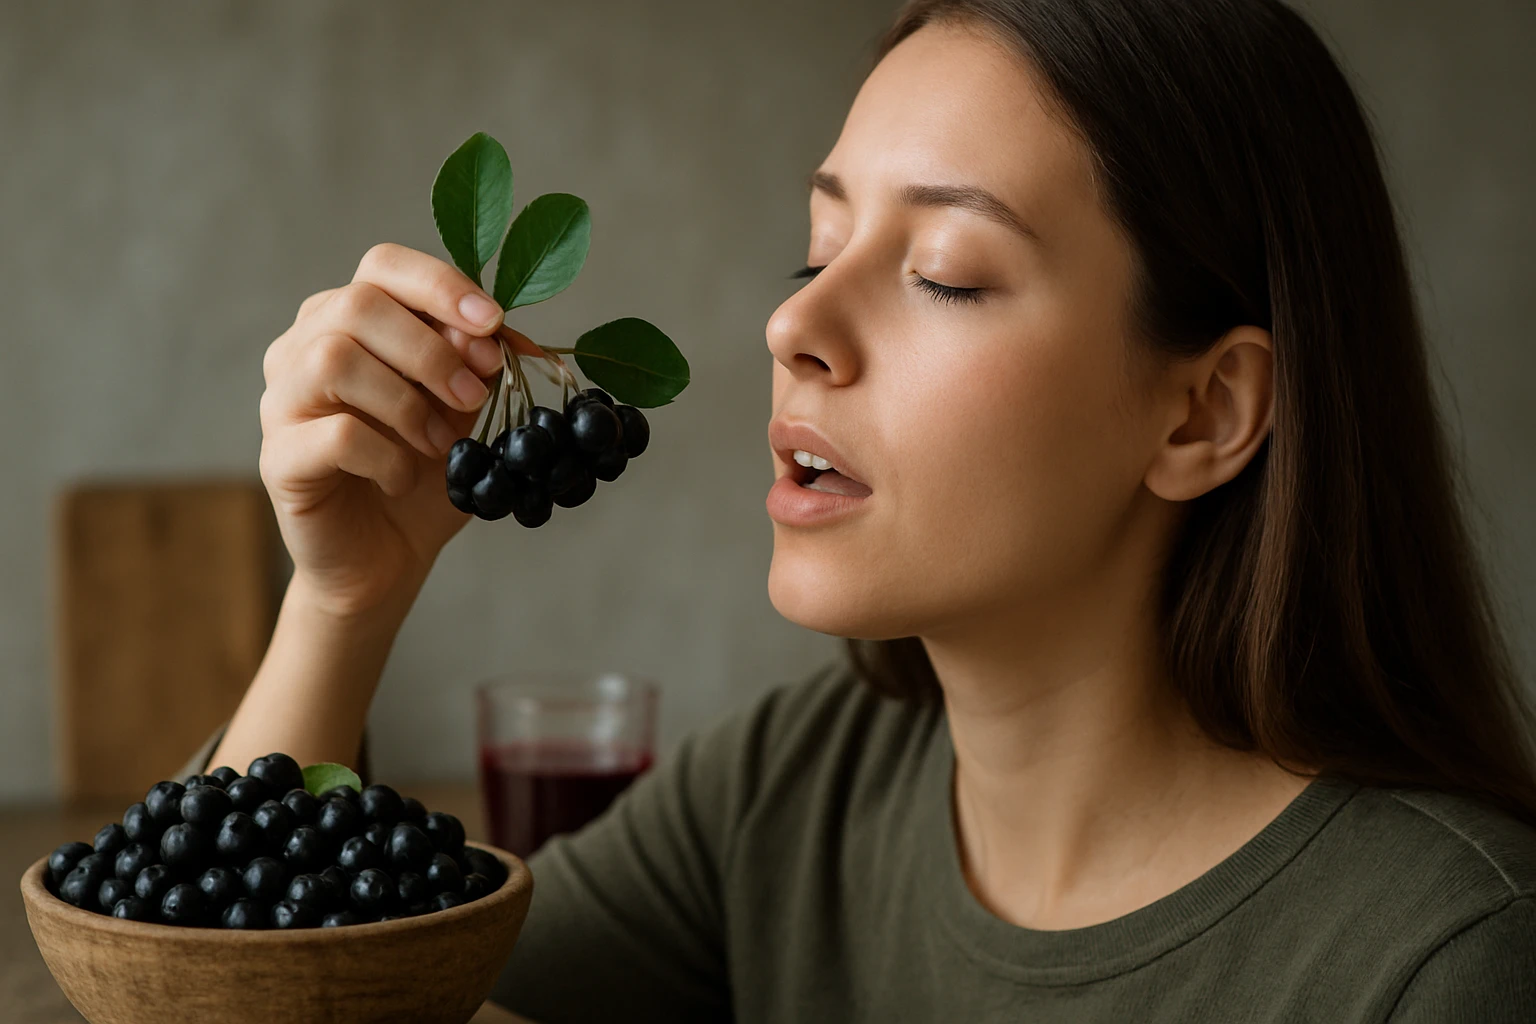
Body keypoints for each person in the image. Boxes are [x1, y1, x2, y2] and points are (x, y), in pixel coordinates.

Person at [183, 0, 1536, 1020]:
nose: (794, 322)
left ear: (1204, 413)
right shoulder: (794, 794)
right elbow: (247, 993)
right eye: (818, 248)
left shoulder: (1439, 958)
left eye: (947, 272)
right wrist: (346, 599)